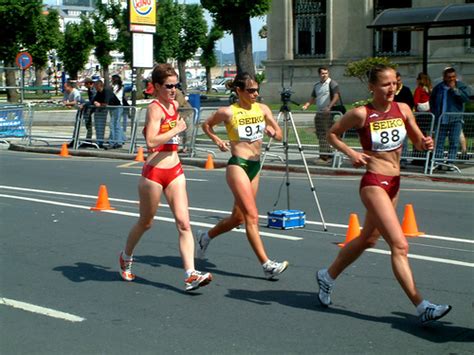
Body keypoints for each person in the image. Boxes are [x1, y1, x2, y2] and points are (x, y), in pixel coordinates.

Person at [316, 64, 451, 325]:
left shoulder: (402, 109)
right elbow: (332, 134)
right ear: (372, 87)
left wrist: (426, 143)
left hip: (395, 182)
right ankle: (421, 305)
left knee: (367, 239)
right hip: (374, 182)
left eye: (394, 83)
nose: (391, 88)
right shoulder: (360, 114)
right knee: (400, 245)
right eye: (385, 84)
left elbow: (416, 140)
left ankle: (327, 276)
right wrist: (352, 153)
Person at [119, 63, 212, 292]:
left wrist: (175, 136)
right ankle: (126, 256)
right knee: (146, 222)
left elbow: (171, 134)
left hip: (175, 171)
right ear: (157, 86)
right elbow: (150, 141)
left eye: (176, 85)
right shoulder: (154, 108)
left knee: (184, 223)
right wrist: (175, 130)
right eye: (169, 86)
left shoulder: (173, 104)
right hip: (154, 173)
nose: (173, 89)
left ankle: (190, 274)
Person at [199, 72, 289, 280]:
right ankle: (267, 264)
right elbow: (206, 125)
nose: (255, 94)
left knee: (237, 217)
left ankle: (206, 236)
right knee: (252, 216)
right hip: (237, 165)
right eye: (250, 90)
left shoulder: (263, 109)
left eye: (257, 90)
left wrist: (272, 132)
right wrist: (217, 141)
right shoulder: (228, 112)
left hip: (255, 167)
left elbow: (280, 134)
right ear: (239, 91)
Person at [430, 67, 471, 166]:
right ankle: (438, 162)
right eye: (449, 77)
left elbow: (465, 98)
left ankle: (450, 163)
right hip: (441, 119)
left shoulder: (461, 86)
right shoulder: (439, 88)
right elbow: (432, 101)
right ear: (444, 77)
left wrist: (455, 90)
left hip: (455, 119)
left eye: (453, 77)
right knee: (439, 142)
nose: (451, 79)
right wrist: (435, 113)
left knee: (454, 142)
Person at [302, 67, 343, 163]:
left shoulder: (332, 83)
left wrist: (329, 107)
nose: (324, 75)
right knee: (321, 134)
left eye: (326, 73)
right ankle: (328, 153)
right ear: (319, 74)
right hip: (319, 112)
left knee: (325, 134)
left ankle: (325, 156)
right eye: (322, 73)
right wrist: (307, 105)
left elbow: (336, 96)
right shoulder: (316, 85)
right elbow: (313, 97)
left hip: (329, 113)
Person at [394, 72, 414, 167]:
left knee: (404, 140)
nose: (397, 83)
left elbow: (410, 104)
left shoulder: (406, 90)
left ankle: (403, 159)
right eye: (395, 81)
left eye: (399, 80)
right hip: (392, 119)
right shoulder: (390, 90)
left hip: (402, 119)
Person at [92, 79, 120, 148]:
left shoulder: (106, 91)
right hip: (111, 108)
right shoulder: (99, 92)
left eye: (96, 87)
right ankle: (116, 141)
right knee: (114, 124)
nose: (95, 89)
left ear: (99, 86)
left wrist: (99, 104)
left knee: (113, 124)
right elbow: (95, 99)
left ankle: (113, 142)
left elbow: (106, 103)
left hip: (117, 107)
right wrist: (95, 102)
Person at [109, 74, 126, 149]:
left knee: (114, 124)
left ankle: (114, 141)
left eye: (112, 79)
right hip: (118, 106)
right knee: (116, 123)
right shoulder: (119, 87)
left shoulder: (116, 87)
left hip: (116, 106)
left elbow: (113, 96)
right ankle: (121, 139)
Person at [79, 77, 96, 145]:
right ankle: (88, 138)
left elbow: (93, 100)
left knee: (89, 124)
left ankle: (89, 139)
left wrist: (85, 104)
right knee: (88, 123)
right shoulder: (90, 89)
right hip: (90, 107)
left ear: (89, 83)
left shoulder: (93, 89)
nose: (84, 85)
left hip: (94, 107)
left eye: (85, 84)